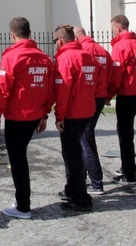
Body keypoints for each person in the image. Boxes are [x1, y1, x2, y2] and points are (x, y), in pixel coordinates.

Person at [0, 17, 54, 219]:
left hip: (17, 115)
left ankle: (23, 206)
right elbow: (49, 90)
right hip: (34, 115)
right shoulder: (43, 57)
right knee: (20, 157)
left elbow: (2, 89)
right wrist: (44, 114)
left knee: (18, 160)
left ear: (12, 35)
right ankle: (21, 201)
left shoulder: (12, 57)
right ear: (30, 33)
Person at [52, 24, 97, 212]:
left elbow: (63, 91)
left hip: (72, 113)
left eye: (55, 41)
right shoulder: (87, 56)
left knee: (72, 156)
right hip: (87, 110)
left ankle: (80, 198)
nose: (55, 44)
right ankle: (72, 190)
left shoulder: (65, 58)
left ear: (60, 40)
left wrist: (59, 115)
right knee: (76, 153)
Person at [108, 15, 136, 185]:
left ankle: (129, 172)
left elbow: (117, 74)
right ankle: (126, 167)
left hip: (126, 93)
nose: (112, 32)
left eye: (113, 29)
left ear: (118, 28)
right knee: (127, 131)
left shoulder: (121, 46)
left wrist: (109, 94)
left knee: (125, 133)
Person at [74, 25, 112, 195]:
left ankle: (96, 182)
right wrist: (108, 94)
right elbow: (111, 73)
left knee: (86, 139)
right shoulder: (102, 50)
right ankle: (81, 179)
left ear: (76, 37)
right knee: (85, 137)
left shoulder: (83, 50)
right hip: (101, 96)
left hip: (89, 97)